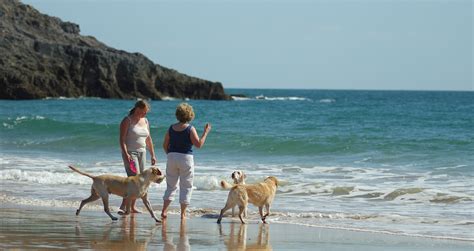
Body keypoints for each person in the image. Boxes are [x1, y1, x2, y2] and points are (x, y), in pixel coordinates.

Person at [161, 102, 211, 220]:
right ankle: (182, 214)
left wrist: (170, 154)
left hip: (172, 157)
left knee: (171, 185)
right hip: (185, 158)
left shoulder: (171, 128)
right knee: (186, 186)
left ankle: (164, 211)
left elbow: (165, 144)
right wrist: (205, 132)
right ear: (190, 115)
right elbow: (198, 144)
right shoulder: (190, 128)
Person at [119, 100, 157, 214]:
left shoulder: (145, 120)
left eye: (146, 112)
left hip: (142, 153)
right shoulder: (127, 120)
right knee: (134, 181)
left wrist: (153, 154)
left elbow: (148, 139)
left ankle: (132, 207)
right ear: (137, 109)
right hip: (131, 153)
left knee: (140, 181)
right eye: (143, 112)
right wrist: (126, 154)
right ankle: (123, 207)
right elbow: (122, 140)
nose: (144, 114)